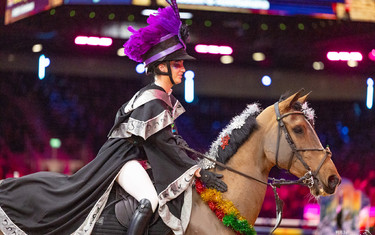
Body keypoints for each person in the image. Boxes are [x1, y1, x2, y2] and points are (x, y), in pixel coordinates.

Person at [0, 1, 227, 234]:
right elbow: (164, 145)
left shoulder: (162, 99)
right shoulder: (153, 100)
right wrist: (197, 171)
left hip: (139, 160)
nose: (183, 69)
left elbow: (171, 142)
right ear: (161, 67)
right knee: (150, 200)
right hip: (123, 162)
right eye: (177, 64)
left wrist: (199, 163)